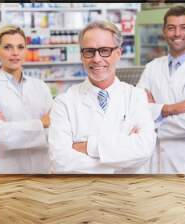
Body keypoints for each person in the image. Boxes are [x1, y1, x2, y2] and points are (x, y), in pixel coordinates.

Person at [48, 21, 156, 174]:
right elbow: (60, 162)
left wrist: (87, 147)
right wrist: (122, 162)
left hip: (128, 193)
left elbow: (145, 149)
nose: (97, 59)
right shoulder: (64, 102)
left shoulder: (136, 96)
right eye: (89, 51)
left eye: (104, 50)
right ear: (81, 56)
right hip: (80, 194)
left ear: (118, 53)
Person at [137, 6, 185, 174]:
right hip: (154, 165)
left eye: (183, 27)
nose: (177, 33)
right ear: (164, 31)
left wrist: (153, 116)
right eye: (171, 28)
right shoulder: (152, 67)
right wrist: (169, 109)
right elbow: (135, 111)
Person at [0, 25, 53, 174]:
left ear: (26, 50)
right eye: (8, 47)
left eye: (20, 47)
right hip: (8, 170)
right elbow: (0, 138)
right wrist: (41, 124)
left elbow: (55, 132)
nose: (15, 53)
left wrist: (12, 128)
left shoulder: (41, 87)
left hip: (42, 168)